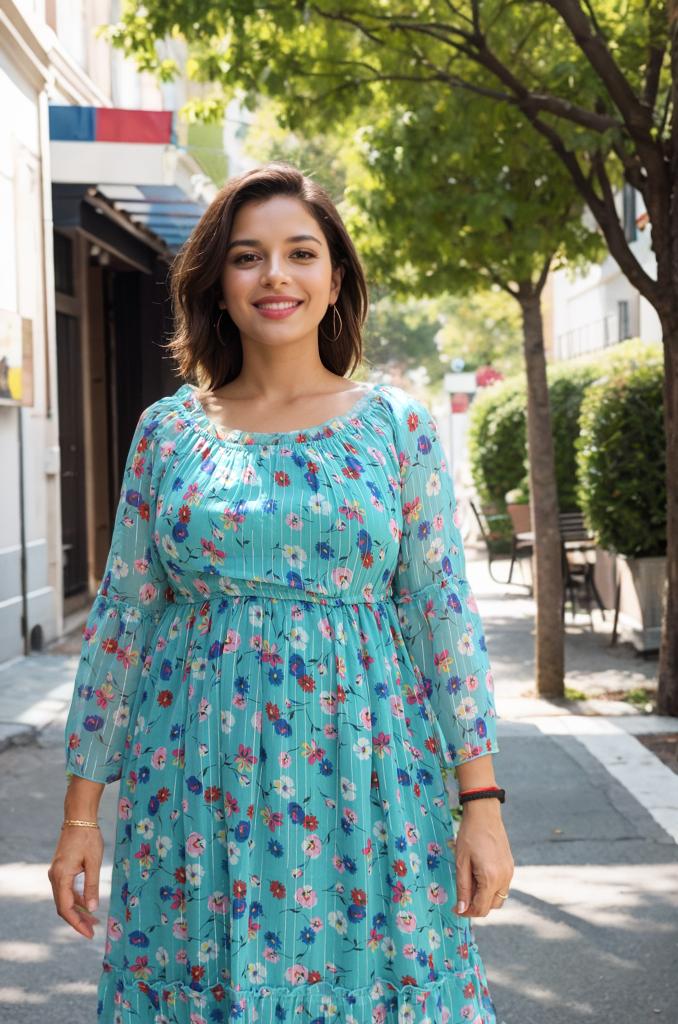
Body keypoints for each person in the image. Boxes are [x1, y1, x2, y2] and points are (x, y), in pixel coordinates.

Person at [49, 163, 513, 1024]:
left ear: (335, 279)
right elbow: (119, 624)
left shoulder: (396, 428)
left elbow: (443, 619)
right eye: (247, 257)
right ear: (215, 286)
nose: (275, 276)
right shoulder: (167, 432)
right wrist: (82, 816)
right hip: (191, 786)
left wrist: (480, 804)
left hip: (368, 783)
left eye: (301, 253)